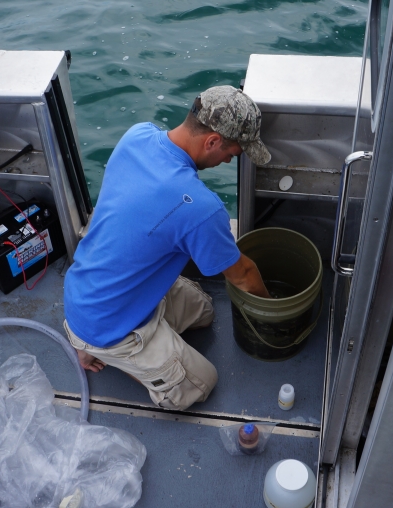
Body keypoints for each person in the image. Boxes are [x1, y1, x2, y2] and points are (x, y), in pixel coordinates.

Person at [62, 85, 272, 411]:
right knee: (201, 385)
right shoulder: (201, 208)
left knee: (204, 312)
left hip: (84, 288)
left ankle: (95, 340)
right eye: (232, 154)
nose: (229, 161)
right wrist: (271, 318)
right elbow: (243, 274)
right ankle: (107, 350)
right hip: (106, 321)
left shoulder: (137, 135)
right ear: (212, 141)